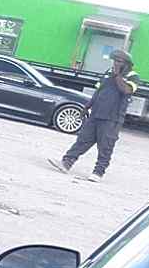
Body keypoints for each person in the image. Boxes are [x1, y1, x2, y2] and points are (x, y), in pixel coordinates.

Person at [48, 49, 139, 182]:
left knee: (105, 145)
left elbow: (126, 90)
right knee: (83, 139)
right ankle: (67, 163)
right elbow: (98, 91)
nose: (115, 63)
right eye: (114, 61)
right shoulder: (108, 72)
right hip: (96, 113)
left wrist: (118, 76)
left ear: (127, 63)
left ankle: (98, 173)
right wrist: (87, 107)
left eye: (119, 61)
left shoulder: (133, 76)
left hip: (112, 118)